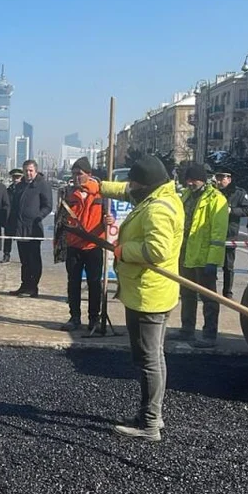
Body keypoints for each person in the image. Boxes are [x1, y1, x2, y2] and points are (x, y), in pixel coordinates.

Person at [97, 155, 183, 442]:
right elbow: (126, 190)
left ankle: (149, 423)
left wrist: (123, 250)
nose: (130, 187)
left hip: (150, 294)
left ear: (146, 185)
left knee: (149, 360)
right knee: (152, 357)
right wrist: (98, 187)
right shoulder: (158, 195)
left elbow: (156, 251)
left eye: (134, 182)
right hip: (149, 291)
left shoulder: (157, 209)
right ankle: (151, 414)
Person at [173, 165, 228, 348]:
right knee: (187, 294)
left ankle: (209, 334)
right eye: (187, 179)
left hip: (204, 257)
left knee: (208, 297)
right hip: (186, 254)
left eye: (193, 179)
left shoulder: (216, 199)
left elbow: (219, 234)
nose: (189, 183)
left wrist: (213, 260)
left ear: (202, 180)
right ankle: (187, 330)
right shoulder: (187, 196)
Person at [61, 157, 112, 334]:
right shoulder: (68, 193)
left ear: (89, 175)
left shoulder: (101, 194)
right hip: (74, 245)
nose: (76, 177)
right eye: (74, 174)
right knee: (73, 283)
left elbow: (108, 216)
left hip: (93, 245)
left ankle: (94, 319)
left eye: (79, 174)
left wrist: (109, 220)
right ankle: (74, 317)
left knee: (94, 283)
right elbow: (61, 220)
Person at [7, 159, 53, 297]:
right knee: (24, 260)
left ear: (36, 171)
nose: (28, 173)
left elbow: (48, 205)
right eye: (26, 171)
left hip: (34, 228)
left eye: (31, 170)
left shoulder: (42, 185)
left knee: (34, 259)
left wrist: (39, 216)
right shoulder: (20, 186)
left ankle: (33, 286)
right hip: (20, 228)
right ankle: (24, 285)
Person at [213, 167, 248, 297]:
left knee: (228, 265)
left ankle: (227, 292)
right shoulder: (212, 192)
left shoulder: (238, 193)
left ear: (229, 179)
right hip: (213, 232)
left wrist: (232, 211)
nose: (219, 181)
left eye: (222, 178)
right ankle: (210, 290)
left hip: (230, 232)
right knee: (211, 263)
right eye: (217, 177)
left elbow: (247, 210)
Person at [2, 168, 24, 263]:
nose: (16, 179)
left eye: (18, 177)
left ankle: (23, 257)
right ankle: (6, 255)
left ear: (21, 177)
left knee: (22, 239)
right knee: (7, 238)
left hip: (21, 218)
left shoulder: (25, 189)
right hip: (10, 218)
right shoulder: (8, 190)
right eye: (14, 177)